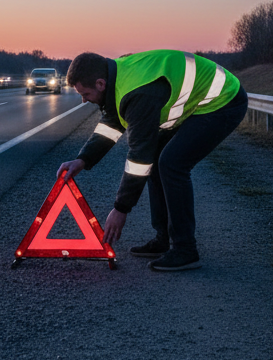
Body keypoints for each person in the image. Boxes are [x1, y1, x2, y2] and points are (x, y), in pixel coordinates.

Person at [57, 49, 248, 271]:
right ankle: (163, 239)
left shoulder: (138, 93)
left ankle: (185, 249)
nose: (83, 100)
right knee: (160, 160)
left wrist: (121, 209)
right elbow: (112, 123)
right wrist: (83, 159)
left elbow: (139, 158)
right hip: (198, 103)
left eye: (86, 94)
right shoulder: (116, 76)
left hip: (223, 100)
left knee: (171, 164)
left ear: (100, 83)